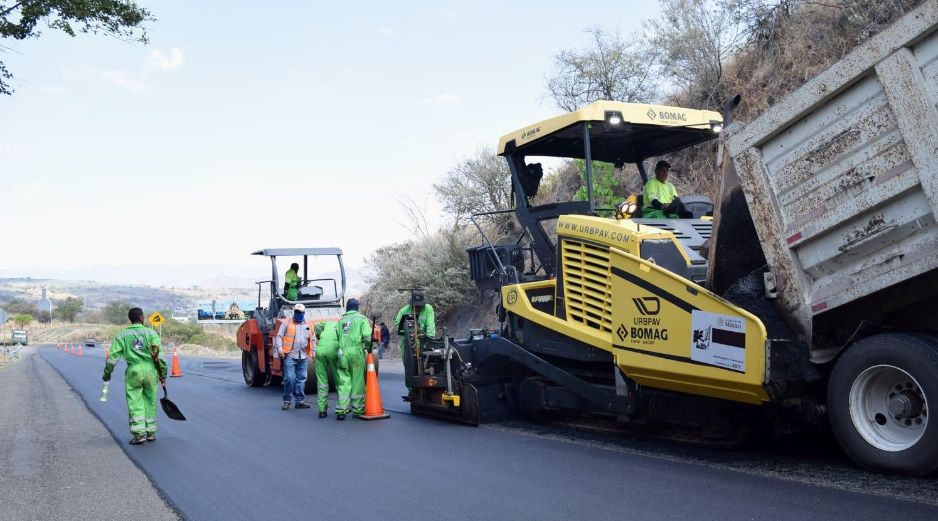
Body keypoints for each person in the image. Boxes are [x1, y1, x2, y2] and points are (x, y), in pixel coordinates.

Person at [102, 307, 166, 444]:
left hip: (134, 371)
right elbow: (159, 357)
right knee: (150, 400)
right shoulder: (151, 333)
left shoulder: (122, 335)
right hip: (151, 371)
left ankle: (139, 434)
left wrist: (107, 374)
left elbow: (112, 357)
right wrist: (163, 375)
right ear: (142, 318)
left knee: (135, 401)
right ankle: (151, 433)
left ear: (130, 319)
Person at [334, 298, 373, 420]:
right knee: (357, 382)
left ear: (347, 308)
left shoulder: (341, 321)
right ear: (357, 308)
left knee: (344, 381)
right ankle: (357, 409)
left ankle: (341, 409)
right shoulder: (362, 319)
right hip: (356, 353)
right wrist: (369, 347)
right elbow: (367, 336)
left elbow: (337, 336)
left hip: (342, 353)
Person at [274, 303, 313, 410]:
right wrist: (280, 350)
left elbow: (312, 339)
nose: (298, 314)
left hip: (303, 356)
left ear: (304, 313)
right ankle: (287, 401)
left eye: (300, 312)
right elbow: (279, 336)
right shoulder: (287, 323)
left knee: (301, 379)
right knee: (289, 379)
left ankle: (299, 401)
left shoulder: (308, 325)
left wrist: (313, 353)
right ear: (293, 312)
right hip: (290, 356)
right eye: (296, 312)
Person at [313, 320, 339, 419]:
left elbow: (317, 325)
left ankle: (322, 410)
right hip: (334, 351)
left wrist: (319, 336)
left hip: (320, 350)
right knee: (339, 380)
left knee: (322, 382)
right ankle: (341, 409)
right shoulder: (343, 324)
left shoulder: (327, 323)